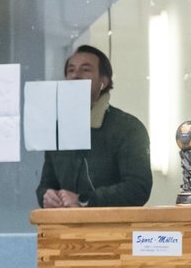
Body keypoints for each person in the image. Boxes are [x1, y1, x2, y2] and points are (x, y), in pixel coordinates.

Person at [36, 45, 152, 209]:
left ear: (103, 82)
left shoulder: (128, 128)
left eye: (85, 70)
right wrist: (46, 196)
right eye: (71, 71)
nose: (75, 76)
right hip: (64, 230)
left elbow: (138, 188)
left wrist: (85, 200)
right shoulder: (59, 129)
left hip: (112, 229)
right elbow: (46, 184)